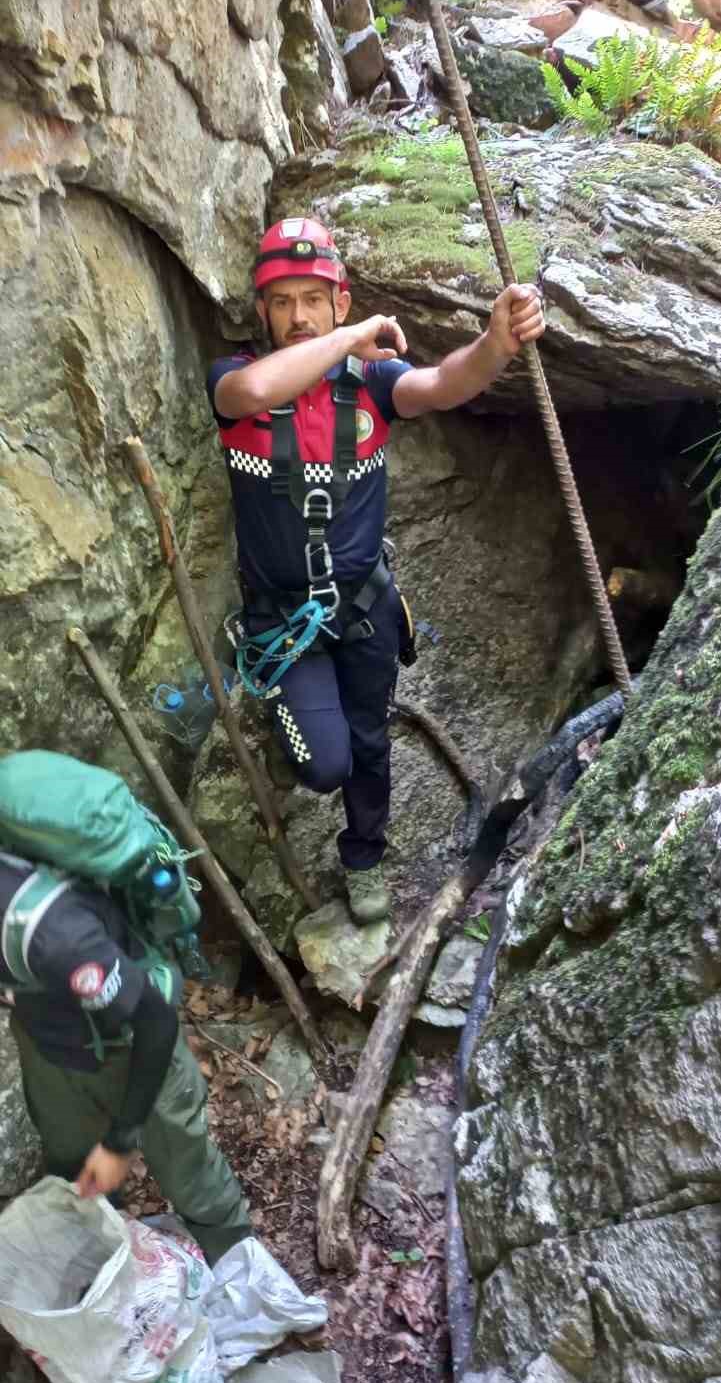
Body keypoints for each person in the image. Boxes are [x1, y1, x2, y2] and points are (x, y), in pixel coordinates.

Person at [207, 216, 545, 925]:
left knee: (368, 742)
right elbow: (248, 396)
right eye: (281, 300)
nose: (297, 315)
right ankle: (292, 731)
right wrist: (344, 336)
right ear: (261, 310)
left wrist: (495, 343)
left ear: (338, 297)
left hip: (361, 608)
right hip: (283, 624)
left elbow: (443, 384)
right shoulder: (237, 377)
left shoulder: (370, 384)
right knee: (323, 764)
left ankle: (364, 857)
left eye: (313, 297)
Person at [1, 848, 251, 1267]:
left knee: (189, 1177)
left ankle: (241, 1270)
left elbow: (156, 1024)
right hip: (46, 1041)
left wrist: (119, 1144)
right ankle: (108, 1266)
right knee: (73, 1168)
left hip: (131, 1038)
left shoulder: (54, 933)